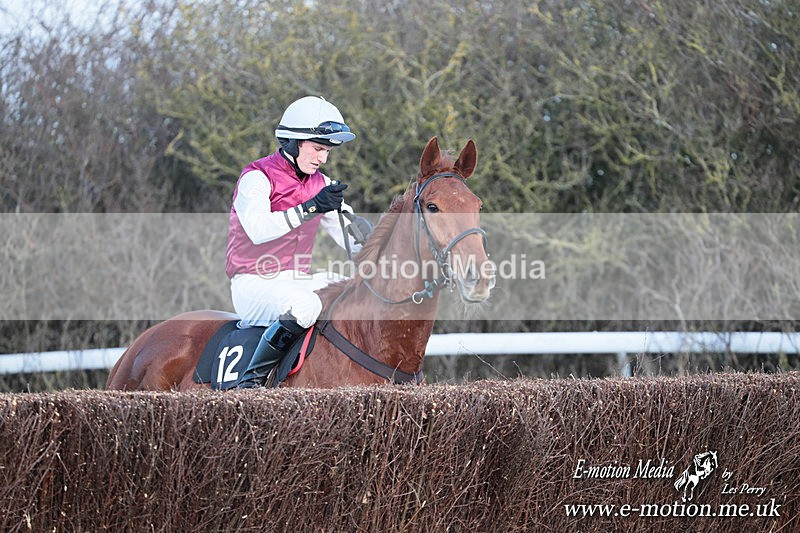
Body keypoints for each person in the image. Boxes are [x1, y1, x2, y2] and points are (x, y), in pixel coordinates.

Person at [226, 96, 373, 388]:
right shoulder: (256, 178)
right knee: (306, 306)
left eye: (327, 151)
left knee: (351, 292)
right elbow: (258, 230)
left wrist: (370, 238)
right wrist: (311, 208)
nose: (322, 158)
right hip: (252, 284)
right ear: (294, 142)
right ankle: (251, 384)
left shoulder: (323, 184)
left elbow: (350, 242)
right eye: (318, 149)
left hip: (295, 280)